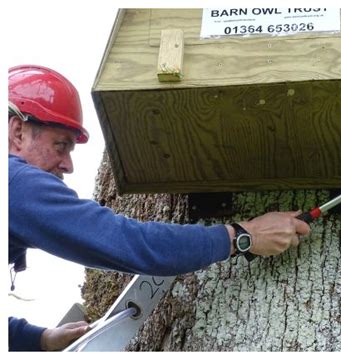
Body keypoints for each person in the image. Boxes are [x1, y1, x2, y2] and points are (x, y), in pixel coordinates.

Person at [8, 65, 311, 351]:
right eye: (61, 145)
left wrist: (41, 340)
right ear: (18, 131)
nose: (68, 165)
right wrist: (244, 236)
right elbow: (130, 244)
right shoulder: (15, 182)